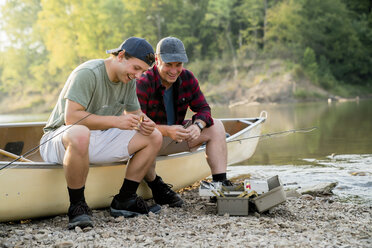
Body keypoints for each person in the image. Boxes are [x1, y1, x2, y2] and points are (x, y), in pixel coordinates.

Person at [40, 37, 168, 229]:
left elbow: (135, 114)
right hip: (60, 139)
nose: (138, 76)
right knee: (80, 133)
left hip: (96, 138)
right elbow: (71, 118)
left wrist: (145, 122)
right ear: (121, 56)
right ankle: (78, 206)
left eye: (143, 71)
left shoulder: (128, 80)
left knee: (153, 136)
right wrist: (117, 121)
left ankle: (125, 200)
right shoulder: (88, 73)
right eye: (136, 68)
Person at [136, 37, 232, 207]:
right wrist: (167, 131)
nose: (174, 70)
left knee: (216, 125)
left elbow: (204, 108)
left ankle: (219, 186)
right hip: (149, 138)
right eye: (169, 64)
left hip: (176, 137)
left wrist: (198, 125)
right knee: (148, 136)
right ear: (157, 60)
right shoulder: (143, 81)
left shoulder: (187, 77)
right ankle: (158, 187)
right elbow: (138, 122)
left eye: (178, 64)